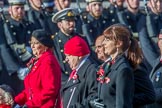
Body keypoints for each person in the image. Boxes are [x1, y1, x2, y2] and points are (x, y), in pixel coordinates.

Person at [14, 29, 61, 108]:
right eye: (31, 43)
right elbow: (31, 90)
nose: (32, 46)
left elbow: (49, 90)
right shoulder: (36, 61)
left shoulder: (47, 61)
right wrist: (16, 101)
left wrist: (30, 104)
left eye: (36, 43)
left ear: (45, 46)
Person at [0, 0, 34, 95]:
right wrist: (16, 68)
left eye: (22, 8)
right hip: (12, 73)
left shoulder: (30, 26)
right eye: (17, 8)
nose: (20, 11)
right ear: (10, 10)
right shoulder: (4, 26)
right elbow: (4, 50)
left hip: (29, 69)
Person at [62, 36, 98, 107]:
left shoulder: (91, 70)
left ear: (78, 55)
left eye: (68, 55)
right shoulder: (77, 71)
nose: (66, 60)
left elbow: (94, 97)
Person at [52, 8, 83, 83]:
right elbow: (53, 66)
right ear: (60, 24)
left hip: (81, 79)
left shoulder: (80, 39)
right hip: (63, 82)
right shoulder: (54, 42)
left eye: (73, 20)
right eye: (68, 21)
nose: (72, 23)